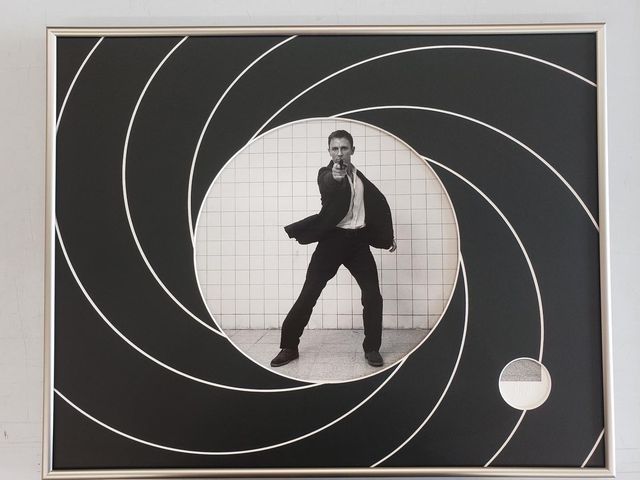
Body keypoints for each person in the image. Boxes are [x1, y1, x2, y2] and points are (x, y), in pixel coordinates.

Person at [270, 129, 396, 368]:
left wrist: (387, 237)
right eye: (335, 149)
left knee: (372, 296)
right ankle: (289, 347)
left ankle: (372, 348)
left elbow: (376, 208)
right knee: (309, 293)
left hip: (358, 243)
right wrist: (336, 176)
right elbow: (329, 182)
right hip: (332, 241)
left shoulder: (360, 178)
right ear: (329, 151)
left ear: (352, 150)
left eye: (344, 148)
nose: (339, 153)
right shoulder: (327, 174)